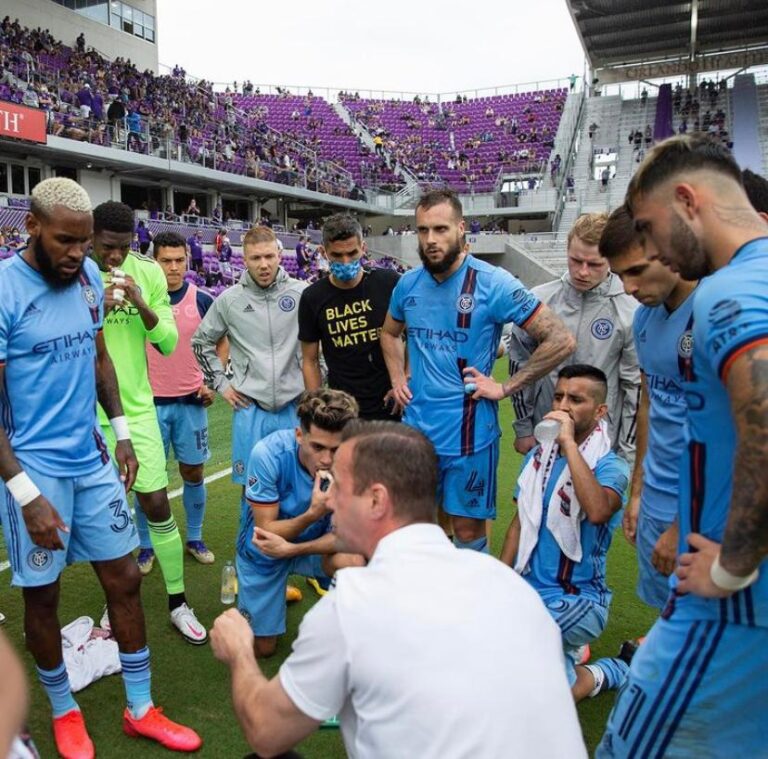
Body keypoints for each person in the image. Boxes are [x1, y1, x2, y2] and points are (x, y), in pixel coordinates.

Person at [210, 421, 586, 758]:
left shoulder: (351, 607)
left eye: (337, 486)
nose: (327, 498)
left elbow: (265, 731)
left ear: (375, 500)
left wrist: (239, 649)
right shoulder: (509, 585)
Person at [0, 179, 200, 757]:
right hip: (33, 472)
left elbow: (98, 358)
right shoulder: (5, 291)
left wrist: (120, 435)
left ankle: (141, 707)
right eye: (65, 241)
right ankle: (65, 711)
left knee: (125, 579)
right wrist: (24, 493)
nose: (76, 254)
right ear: (31, 227)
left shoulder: (90, 278)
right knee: (43, 598)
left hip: (92, 459)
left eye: (84, 243)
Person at [598, 135, 768, 756]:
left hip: (734, 602)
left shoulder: (727, 293)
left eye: (648, 227)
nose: (653, 246)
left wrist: (733, 562)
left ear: (687, 201)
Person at [380, 190, 575, 553]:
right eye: (422, 231)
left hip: (469, 437)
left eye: (440, 229)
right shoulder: (407, 284)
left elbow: (560, 339)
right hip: (417, 434)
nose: (431, 240)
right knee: (414, 528)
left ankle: (469, 604)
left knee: (469, 532)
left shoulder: (493, 283)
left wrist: (505, 387)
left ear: (461, 228)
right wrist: (396, 376)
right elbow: (389, 333)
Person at [91, 201, 207, 645]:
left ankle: (178, 603)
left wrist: (139, 301)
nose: (115, 258)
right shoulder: (75, 271)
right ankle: (113, 601)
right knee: (107, 516)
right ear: (90, 238)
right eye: (106, 248)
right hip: (84, 417)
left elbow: (166, 342)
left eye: (123, 247)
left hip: (136, 411)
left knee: (156, 504)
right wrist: (93, 304)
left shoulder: (149, 272)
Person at [502, 365, 631, 701]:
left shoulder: (610, 466)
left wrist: (569, 444)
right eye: (559, 396)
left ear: (600, 410)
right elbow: (519, 523)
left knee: (540, 695)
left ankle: (612, 670)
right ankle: (564, 656)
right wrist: (501, 583)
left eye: (576, 399)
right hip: (530, 587)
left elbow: (598, 510)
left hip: (579, 597)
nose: (562, 406)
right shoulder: (537, 457)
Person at [599, 205, 696, 610]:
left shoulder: (723, 313)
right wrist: (638, 491)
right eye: (620, 275)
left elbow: (739, 435)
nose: (627, 286)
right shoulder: (644, 319)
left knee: (710, 623)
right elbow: (648, 406)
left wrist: (682, 526)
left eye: (636, 270)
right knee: (667, 611)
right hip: (657, 491)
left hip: (707, 505)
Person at [191, 225, 308, 518]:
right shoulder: (230, 300)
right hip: (250, 408)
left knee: (297, 481)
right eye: (256, 258)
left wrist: (314, 383)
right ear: (244, 259)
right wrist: (221, 384)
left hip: (294, 405)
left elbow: (320, 343)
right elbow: (201, 341)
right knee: (252, 487)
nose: (264, 264)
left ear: (280, 255)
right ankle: (251, 556)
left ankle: (294, 554)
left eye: (269, 256)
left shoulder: (302, 293)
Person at [236, 389, 362, 657]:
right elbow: (266, 529)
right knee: (262, 649)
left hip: (315, 547)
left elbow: (348, 537)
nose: (327, 459)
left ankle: (339, 606)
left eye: (335, 449)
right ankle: (272, 590)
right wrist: (313, 514)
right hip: (265, 549)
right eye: (317, 447)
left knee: (356, 560)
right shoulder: (267, 454)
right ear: (299, 435)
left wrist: (293, 550)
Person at [506, 212, 640, 464]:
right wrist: (523, 428)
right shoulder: (540, 302)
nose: (582, 272)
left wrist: (627, 453)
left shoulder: (630, 309)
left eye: (594, 264)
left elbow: (635, 388)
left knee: (595, 504)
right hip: (546, 436)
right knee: (535, 504)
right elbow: (519, 367)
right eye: (575, 260)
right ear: (566, 251)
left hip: (601, 444)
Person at [142, 231, 217, 570]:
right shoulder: (139, 301)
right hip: (148, 405)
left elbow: (222, 339)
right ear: (153, 261)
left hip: (191, 403)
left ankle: (195, 537)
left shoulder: (201, 299)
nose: (173, 268)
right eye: (165, 261)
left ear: (187, 260)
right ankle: (145, 546)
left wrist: (212, 380)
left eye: (179, 260)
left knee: (193, 471)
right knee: (145, 479)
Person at [299, 214, 400, 420]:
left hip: (392, 403)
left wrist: (404, 382)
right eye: (337, 255)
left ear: (363, 248)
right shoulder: (312, 297)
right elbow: (310, 360)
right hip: (343, 410)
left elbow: (413, 337)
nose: (346, 262)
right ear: (323, 252)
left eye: (352, 253)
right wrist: (316, 404)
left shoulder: (388, 283)